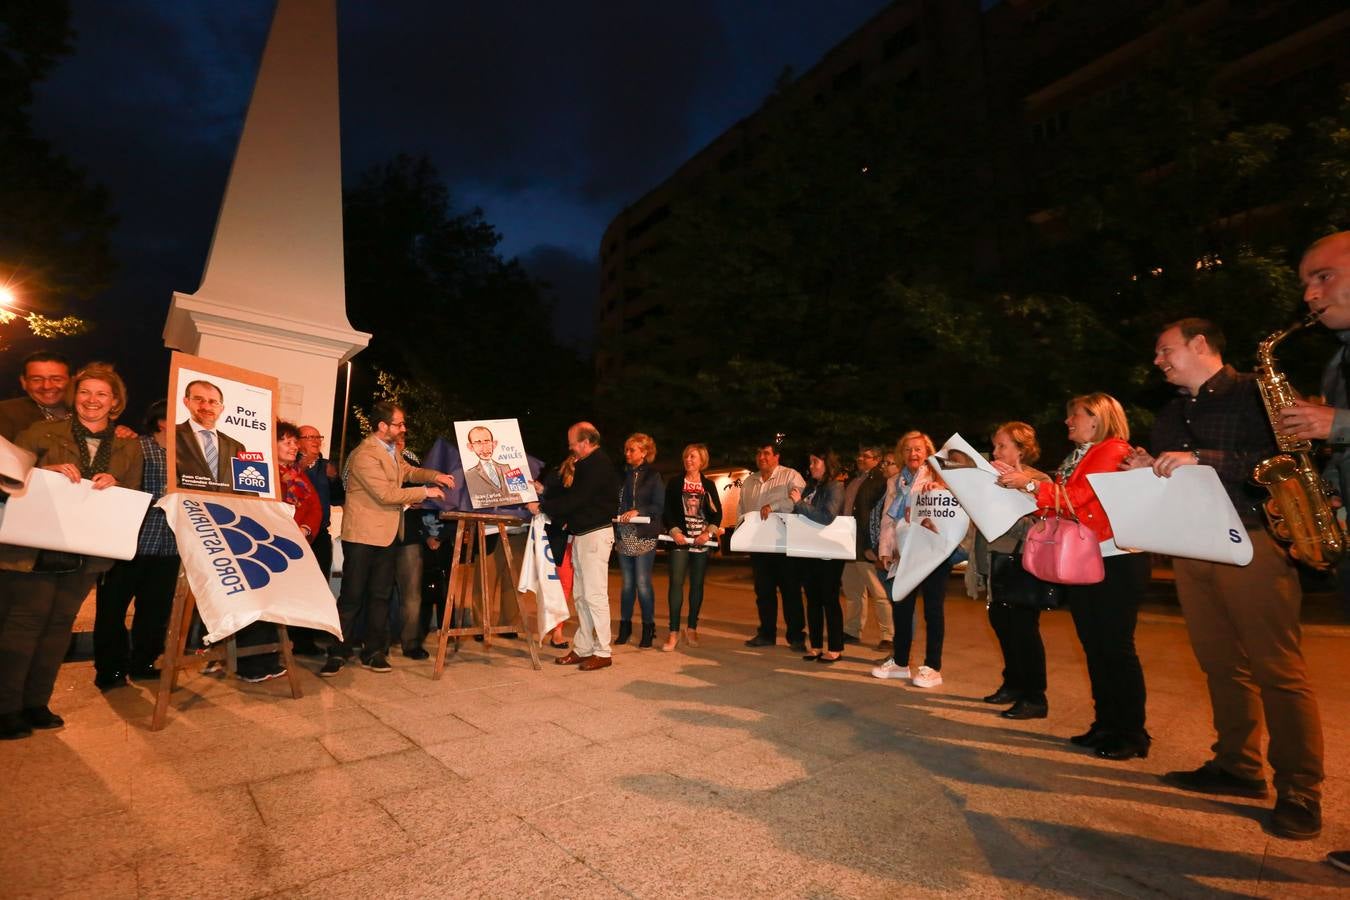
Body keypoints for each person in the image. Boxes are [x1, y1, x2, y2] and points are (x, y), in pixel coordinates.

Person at [1123, 317, 1324, 841]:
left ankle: (1301, 790)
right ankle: (1238, 766)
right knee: (1219, 664)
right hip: (1193, 546)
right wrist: (1149, 467)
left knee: (1277, 668)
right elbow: (1173, 473)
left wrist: (1200, 460)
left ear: (1200, 344)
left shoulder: (1255, 393)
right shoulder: (1170, 413)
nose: (1158, 361)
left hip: (1254, 538)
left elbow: (1292, 458)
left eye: (1165, 350)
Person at [997, 393, 1151, 761]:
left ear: (1098, 418)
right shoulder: (1080, 456)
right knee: (1095, 647)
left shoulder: (1113, 450)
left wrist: (1031, 485)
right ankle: (1105, 724)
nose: (1068, 422)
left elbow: (1077, 498)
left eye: (1075, 416)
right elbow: (1058, 501)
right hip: (1090, 559)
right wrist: (1027, 490)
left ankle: (1131, 732)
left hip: (1117, 560)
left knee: (1114, 648)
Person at [0, 362, 142, 738]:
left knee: (59, 626)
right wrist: (44, 473)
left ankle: (36, 703)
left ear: (115, 402)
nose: (91, 400)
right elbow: (10, 477)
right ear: (74, 396)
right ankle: (6, 707)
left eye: (101, 394)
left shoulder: (128, 446)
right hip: (35, 547)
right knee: (24, 624)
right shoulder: (41, 432)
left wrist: (116, 483)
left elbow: (132, 493)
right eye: (85, 392)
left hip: (87, 551)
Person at [321, 401, 455, 677]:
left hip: (388, 535)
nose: (403, 428)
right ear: (383, 426)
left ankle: (374, 652)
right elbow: (386, 494)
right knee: (352, 596)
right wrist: (426, 493)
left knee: (381, 595)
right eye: (399, 424)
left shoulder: (392, 451)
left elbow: (408, 472)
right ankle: (338, 652)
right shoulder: (365, 455)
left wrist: (435, 475)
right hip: (362, 536)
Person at [92, 399, 179, 690]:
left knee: (155, 610)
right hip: (130, 541)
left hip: (169, 546)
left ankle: (144, 662)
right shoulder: (135, 445)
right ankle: (109, 669)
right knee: (112, 609)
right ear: (162, 422)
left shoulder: (189, 455)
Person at [967, 422, 1051, 719]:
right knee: (1002, 627)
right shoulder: (991, 480)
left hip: (1020, 563)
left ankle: (1035, 697)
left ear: (1022, 449)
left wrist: (1003, 508)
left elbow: (1038, 528)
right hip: (994, 562)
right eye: (995, 445)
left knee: (1024, 632)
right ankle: (1013, 684)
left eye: (1002, 445)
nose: (995, 451)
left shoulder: (1037, 481)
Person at [529, 422, 619, 671]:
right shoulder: (586, 464)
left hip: (595, 536)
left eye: (573, 444)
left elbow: (577, 499)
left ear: (586, 442)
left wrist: (543, 507)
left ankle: (603, 651)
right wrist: (546, 494)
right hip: (582, 535)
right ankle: (583, 647)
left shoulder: (598, 464)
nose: (570, 448)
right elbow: (570, 496)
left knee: (595, 595)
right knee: (581, 595)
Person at [872, 431, 951, 689]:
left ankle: (933, 666)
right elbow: (888, 518)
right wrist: (885, 549)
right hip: (904, 553)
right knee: (902, 607)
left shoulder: (941, 476)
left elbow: (955, 508)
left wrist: (941, 489)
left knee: (933, 610)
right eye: (907, 450)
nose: (912, 454)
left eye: (918, 449)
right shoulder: (895, 481)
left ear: (927, 451)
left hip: (933, 553)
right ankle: (901, 662)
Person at [739, 440, 806, 650]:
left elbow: (796, 501)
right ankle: (766, 634)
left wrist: (773, 506)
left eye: (766, 453)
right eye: (759, 453)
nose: (762, 457)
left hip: (784, 545)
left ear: (777, 456)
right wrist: (742, 537)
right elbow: (741, 511)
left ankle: (796, 637)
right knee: (764, 592)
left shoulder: (790, 475)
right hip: (759, 547)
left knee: (791, 592)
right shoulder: (749, 481)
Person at [661, 443, 723, 651]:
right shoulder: (675, 483)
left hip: (701, 542)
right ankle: (673, 632)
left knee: (697, 585)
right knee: (676, 584)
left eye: (693, 457)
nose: (688, 460)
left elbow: (717, 513)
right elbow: (666, 510)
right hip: (680, 540)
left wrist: (708, 533)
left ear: (702, 461)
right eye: (686, 456)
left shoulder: (709, 485)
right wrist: (674, 531)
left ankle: (692, 628)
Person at [790, 449, 846, 662]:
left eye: (815, 462)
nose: (811, 466)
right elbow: (799, 514)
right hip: (809, 549)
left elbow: (827, 516)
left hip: (828, 551)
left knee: (829, 598)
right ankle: (815, 645)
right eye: (810, 462)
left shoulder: (835, 486)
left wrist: (799, 504)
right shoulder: (811, 487)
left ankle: (835, 647)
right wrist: (798, 505)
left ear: (827, 464)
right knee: (812, 598)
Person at [614, 433, 664, 649]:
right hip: (624, 535)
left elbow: (658, 506)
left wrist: (638, 511)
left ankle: (648, 627)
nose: (627, 453)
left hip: (644, 535)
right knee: (626, 586)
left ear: (644, 452)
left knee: (642, 584)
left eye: (632, 449)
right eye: (626, 449)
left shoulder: (653, 476)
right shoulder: (621, 474)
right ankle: (624, 628)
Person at [840, 446, 892, 648]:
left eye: (866, 456)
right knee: (853, 592)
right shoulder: (855, 480)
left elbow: (877, 517)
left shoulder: (881, 481)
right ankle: (852, 630)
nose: (860, 458)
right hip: (848, 545)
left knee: (879, 593)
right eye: (859, 455)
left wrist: (874, 545)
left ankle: (889, 635)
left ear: (877, 459)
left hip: (865, 546)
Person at [174, 379, 248, 492]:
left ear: (221, 408)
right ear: (186, 401)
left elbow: (247, 490)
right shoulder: (171, 435)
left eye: (213, 402)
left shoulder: (236, 446)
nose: (206, 407)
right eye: (199, 399)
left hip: (228, 509)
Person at [0, 351, 71, 440]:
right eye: (36, 380)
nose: (47, 386)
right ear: (24, 382)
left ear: (71, 381)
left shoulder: (86, 409)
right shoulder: (6, 413)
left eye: (56, 379)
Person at [463, 425, 524, 507]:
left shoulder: (507, 468)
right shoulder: (469, 475)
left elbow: (519, 495)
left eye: (487, 441)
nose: (484, 447)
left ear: (494, 444)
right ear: (471, 447)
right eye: (478, 442)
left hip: (512, 513)